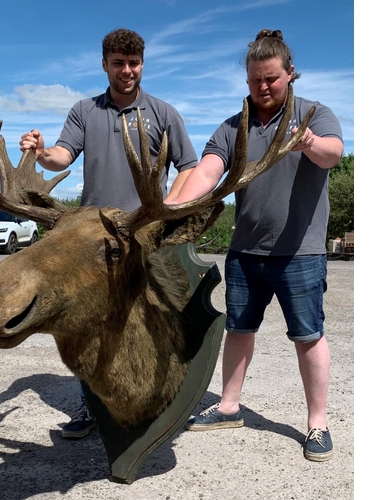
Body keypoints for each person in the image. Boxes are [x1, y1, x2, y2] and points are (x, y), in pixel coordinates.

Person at [167, 29, 343, 462]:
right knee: (238, 330)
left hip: (300, 252)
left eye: (271, 79)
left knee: (308, 336)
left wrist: (309, 142)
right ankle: (229, 407)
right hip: (246, 251)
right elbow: (207, 172)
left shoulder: (314, 114)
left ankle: (317, 424)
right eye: (254, 81)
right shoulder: (233, 127)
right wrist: (169, 205)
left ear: (290, 74)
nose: (262, 87)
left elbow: (334, 153)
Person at [19, 28, 198, 439]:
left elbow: (188, 165)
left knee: (157, 316)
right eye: (118, 63)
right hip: (95, 239)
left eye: (133, 63)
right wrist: (42, 151)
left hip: (142, 234)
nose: (127, 71)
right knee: (87, 320)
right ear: (104, 64)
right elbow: (62, 155)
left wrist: (166, 210)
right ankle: (90, 407)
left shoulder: (164, 113)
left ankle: (161, 396)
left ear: (142, 64)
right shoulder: (85, 111)